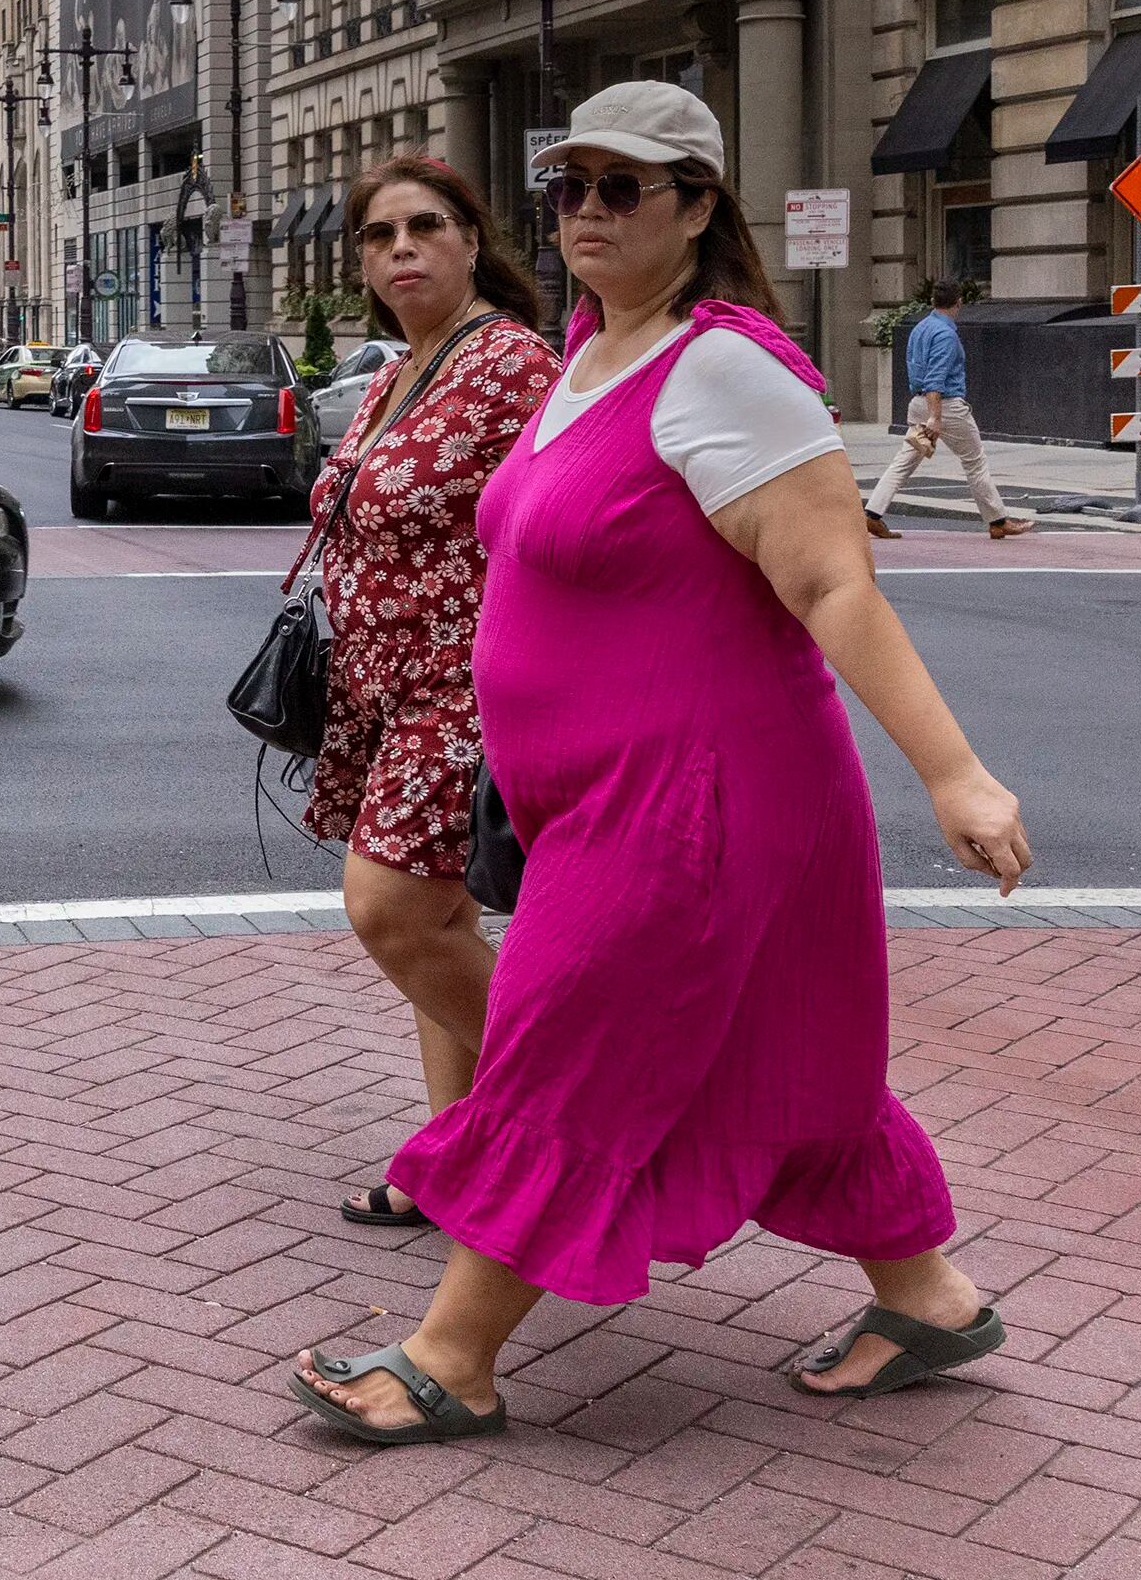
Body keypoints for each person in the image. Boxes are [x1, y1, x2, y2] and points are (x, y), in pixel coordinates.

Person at [290, 83, 1032, 1445]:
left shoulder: (726, 369)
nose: (585, 211)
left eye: (621, 187)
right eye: (568, 185)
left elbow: (835, 588)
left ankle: (453, 1355)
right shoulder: (591, 353)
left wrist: (956, 772)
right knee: (793, 1064)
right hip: (604, 800)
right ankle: (927, 1294)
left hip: (696, 804)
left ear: (697, 207)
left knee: (563, 1050)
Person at [301, 161, 560, 1232]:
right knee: (442, 917)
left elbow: (565, 509)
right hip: (380, 686)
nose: (400, 247)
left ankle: (583, 1111)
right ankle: (453, 1157)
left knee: (392, 908)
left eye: (425, 226)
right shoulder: (397, 368)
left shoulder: (512, 362)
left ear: (470, 238)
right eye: (378, 235)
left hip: (465, 689)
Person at [867, 278, 1030, 541]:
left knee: (904, 461)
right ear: (959, 302)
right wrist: (936, 416)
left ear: (932, 302)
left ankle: (873, 514)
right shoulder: (945, 334)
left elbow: (918, 371)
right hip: (945, 406)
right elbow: (936, 378)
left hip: (917, 403)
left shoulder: (920, 328)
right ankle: (997, 521)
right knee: (974, 461)